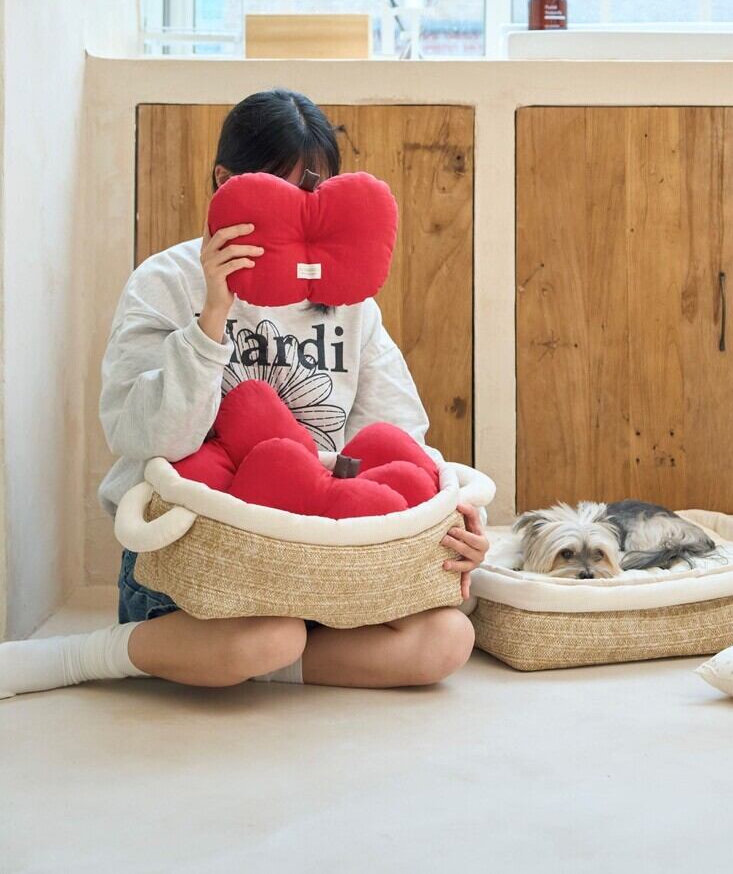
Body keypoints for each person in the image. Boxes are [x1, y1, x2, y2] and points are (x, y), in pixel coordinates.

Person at [0, 90, 487, 701]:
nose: (299, 217)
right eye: (278, 194)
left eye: (313, 197)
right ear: (224, 183)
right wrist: (213, 314)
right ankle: (87, 656)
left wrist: (447, 514)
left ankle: (254, 658)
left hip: (314, 554)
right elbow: (145, 437)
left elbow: (395, 443)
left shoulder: (350, 302)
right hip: (194, 557)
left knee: (446, 639)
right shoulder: (165, 281)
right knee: (266, 634)